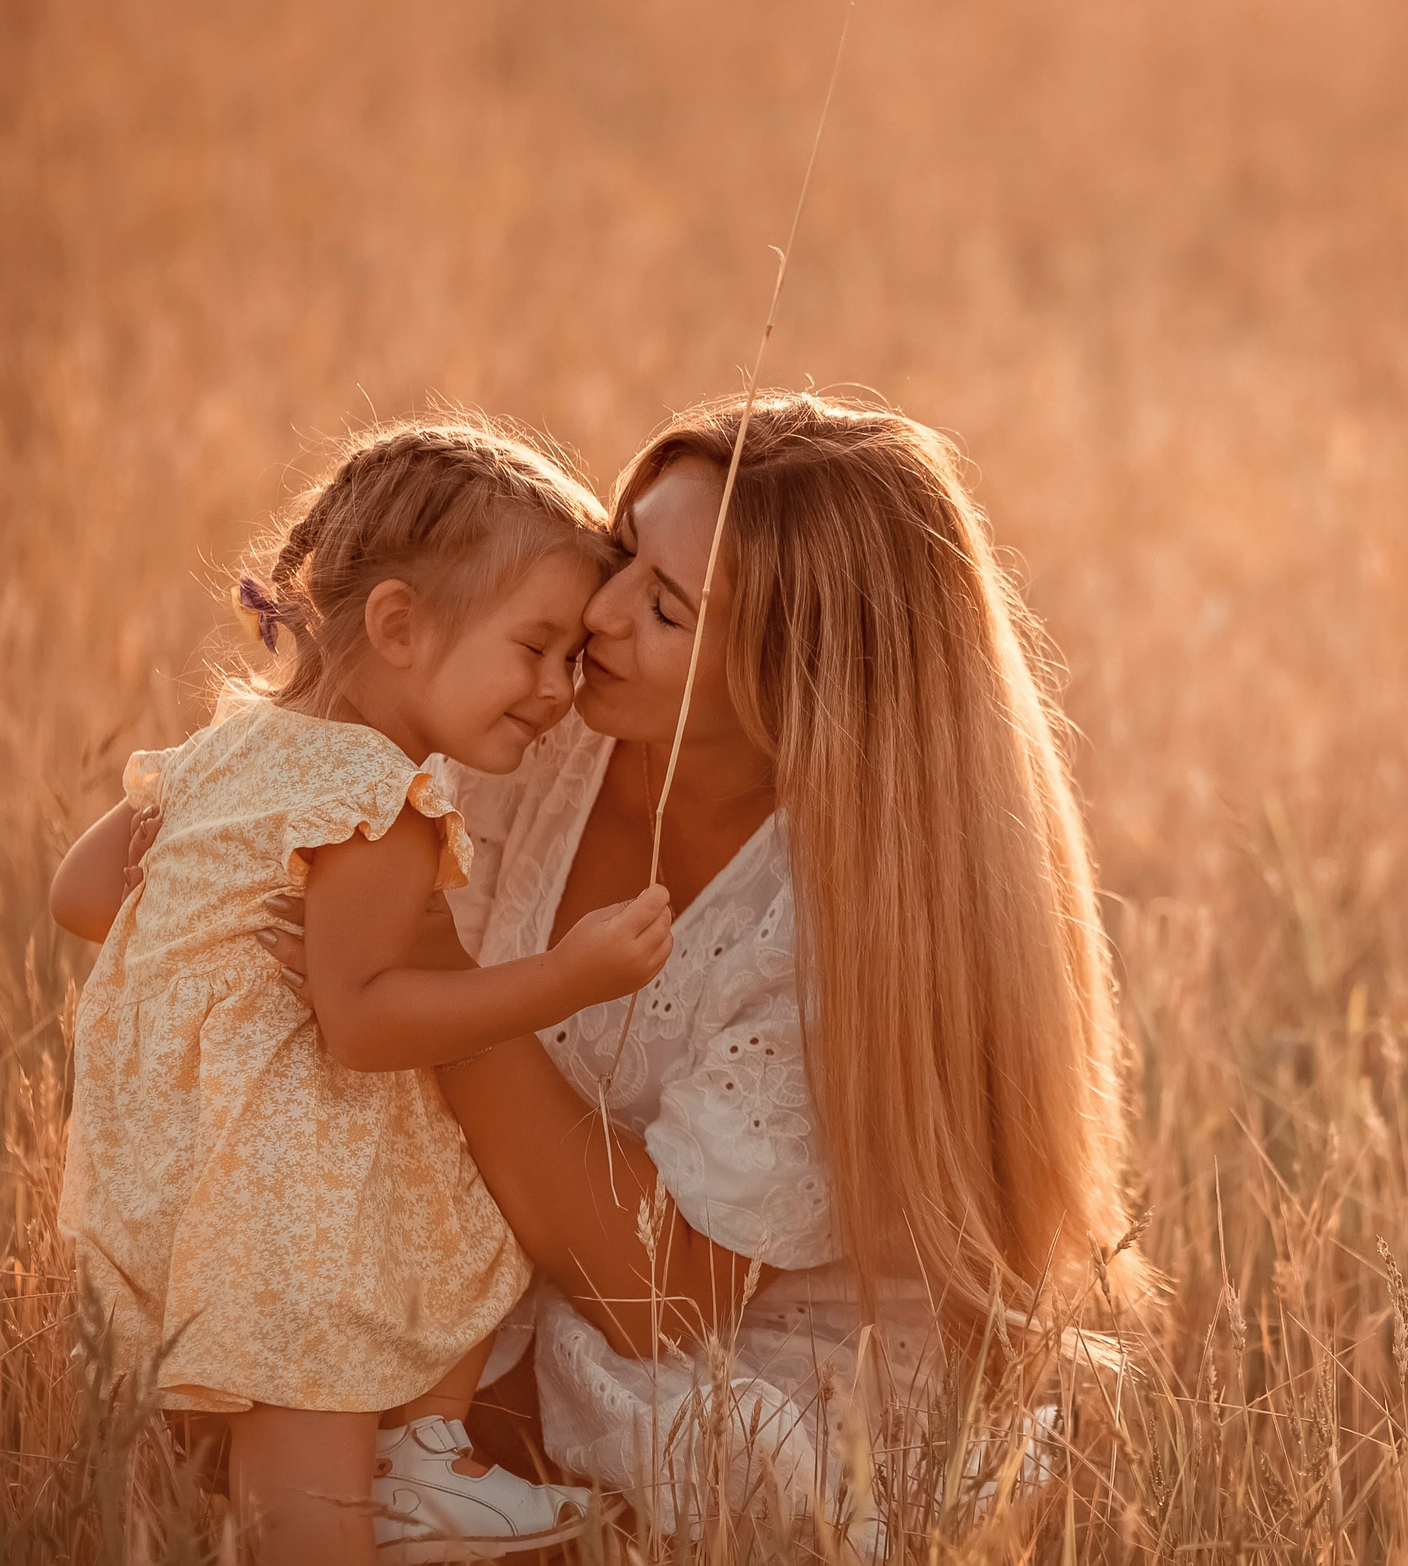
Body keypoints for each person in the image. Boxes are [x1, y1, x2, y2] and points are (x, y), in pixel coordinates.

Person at [246, 391, 1142, 1535]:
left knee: (339, 1400)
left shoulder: (849, 916)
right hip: (489, 1274)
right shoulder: (537, 720)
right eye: (620, 551)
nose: (600, 612)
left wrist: (435, 979)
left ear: (802, 673)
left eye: (665, 607)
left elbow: (654, 1299)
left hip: (738, 1361)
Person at [49, 420, 677, 1564]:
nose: (558, 688)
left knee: (445, 1232)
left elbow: (83, 892)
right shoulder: (380, 798)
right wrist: (566, 977)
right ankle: (398, 1474)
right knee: (306, 1500)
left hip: (185, 1145)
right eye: (535, 648)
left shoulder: (231, 749)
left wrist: (210, 949)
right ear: (398, 628)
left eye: (567, 659)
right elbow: (362, 1023)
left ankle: (418, 1457)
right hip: (289, 1202)